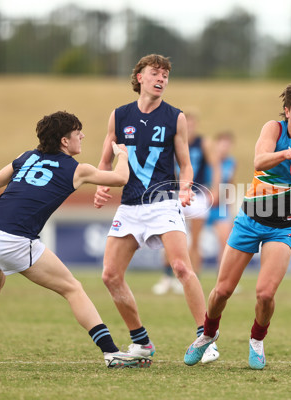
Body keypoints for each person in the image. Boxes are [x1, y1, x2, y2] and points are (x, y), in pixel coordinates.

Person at [0, 111, 148, 369]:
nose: (82, 136)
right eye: (77, 133)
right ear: (63, 141)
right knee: (72, 288)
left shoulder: (25, 156)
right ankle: (112, 353)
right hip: (13, 238)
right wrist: (123, 156)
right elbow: (121, 179)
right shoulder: (77, 170)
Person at [183, 78, 291, 370]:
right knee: (222, 291)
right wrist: (286, 154)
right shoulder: (272, 129)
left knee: (265, 293)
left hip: (283, 227)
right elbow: (259, 160)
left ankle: (257, 340)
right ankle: (208, 334)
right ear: (286, 111)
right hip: (249, 221)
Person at [93, 54, 218, 364]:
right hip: (130, 206)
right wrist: (101, 185)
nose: (161, 78)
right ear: (140, 78)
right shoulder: (119, 116)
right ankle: (141, 342)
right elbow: (106, 158)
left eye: (165, 75)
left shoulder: (175, 117)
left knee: (181, 267)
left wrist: (187, 187)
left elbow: (186, 165)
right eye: (155, 73)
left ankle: (207, 339)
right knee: (110, 274)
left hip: (164, 204)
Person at [152, 109, 218, 295]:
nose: (189, 127)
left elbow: (215, 164)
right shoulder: (173, 143)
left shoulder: (203, 143)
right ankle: (167, 278)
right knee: (169, 239)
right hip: (174, 194)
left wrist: (215, 188)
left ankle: (193, 279)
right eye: (185, 124)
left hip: (197, 194)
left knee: (195, 240)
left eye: (191, 124)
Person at [206, 130, 237, 267]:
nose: (225, 147)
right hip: (204, 204)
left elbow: (230, 182)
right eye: (222, 144)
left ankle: (222, 280)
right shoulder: (207, 160)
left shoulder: (231, 162)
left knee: (226, 242)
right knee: (190, 242)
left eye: (227, 145)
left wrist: (230, 205)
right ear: (216, 144)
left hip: (221, 207)